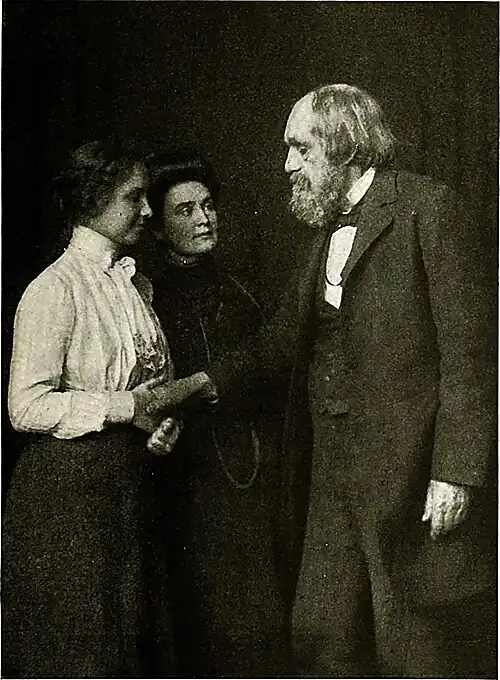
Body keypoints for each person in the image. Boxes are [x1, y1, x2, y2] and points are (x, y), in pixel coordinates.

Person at [203, 84, 497, 678]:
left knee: (414, 647)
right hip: (331, 473)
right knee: (323, 638)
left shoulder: (428, 207)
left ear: (344, 145)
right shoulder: (322, 231)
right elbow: (279, 344)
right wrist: (195, 386)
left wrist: (455, 472)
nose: (288, 165)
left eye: (300, 147)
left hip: (410, 474)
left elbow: (471, 355)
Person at [2, 140, 212, 679]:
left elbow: (151, 385)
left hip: (131, 493)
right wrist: (126, 408)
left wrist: (162, 424)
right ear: (95, 200)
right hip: (68, 503)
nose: (148, 210)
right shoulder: (54, 289)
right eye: (134, 197)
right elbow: (24, 406)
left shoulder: (134, 283)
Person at [142, 153, 288, 678]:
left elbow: (276, 361)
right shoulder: (148, 299)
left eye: (207, 205)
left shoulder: (243, 286)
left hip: (256, 471)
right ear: (158, 228)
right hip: (191, 481)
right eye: (185, 210)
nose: (205, 219)